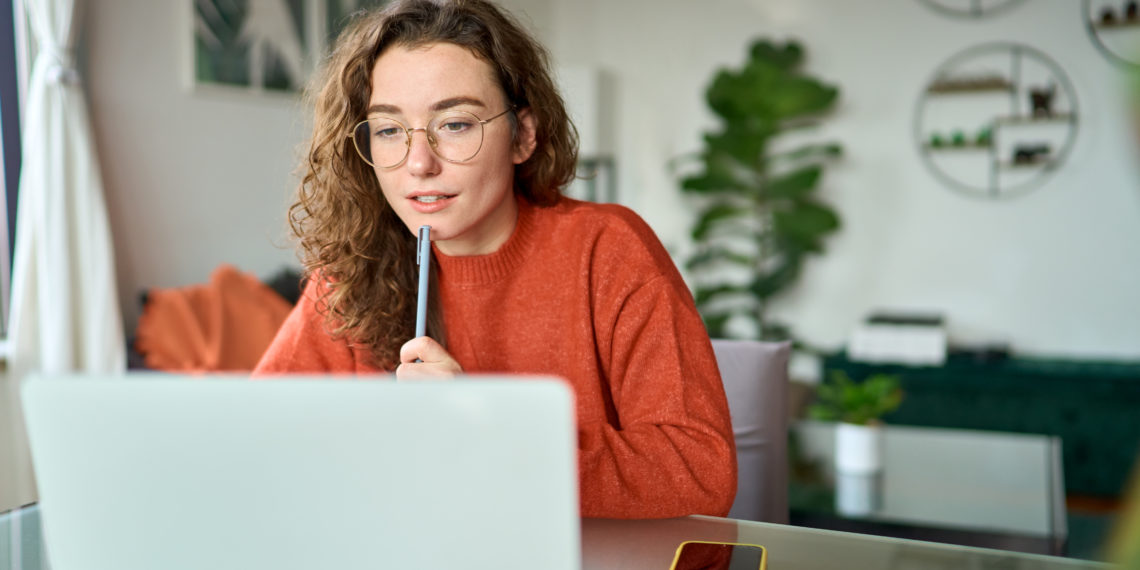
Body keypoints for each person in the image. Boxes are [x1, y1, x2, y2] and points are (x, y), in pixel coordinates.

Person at [254, 0, 737, 519]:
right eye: (390, 130)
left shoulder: (607, 250)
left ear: (523, 136)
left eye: (456, 124)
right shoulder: (352, 271)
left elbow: (697, 468)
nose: (419, 163)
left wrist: (491, 436)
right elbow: (252, 440)